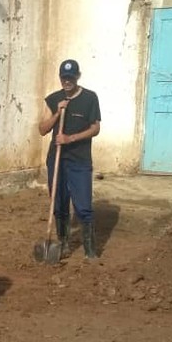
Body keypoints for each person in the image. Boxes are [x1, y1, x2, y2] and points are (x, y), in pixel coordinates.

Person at [38, 59, 101, 259]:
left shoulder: (90, 98)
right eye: (64, 77)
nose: (67, 81)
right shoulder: (53, 99)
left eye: (71, 77)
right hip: (57, 159)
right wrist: (57, 113)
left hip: (79, 160)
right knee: (59, 204)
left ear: (78, 76)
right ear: (60, 77)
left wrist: (70, 138)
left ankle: (90, 250)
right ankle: (63, 244)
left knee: (83, 205)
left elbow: (95, 128)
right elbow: (42, 129)